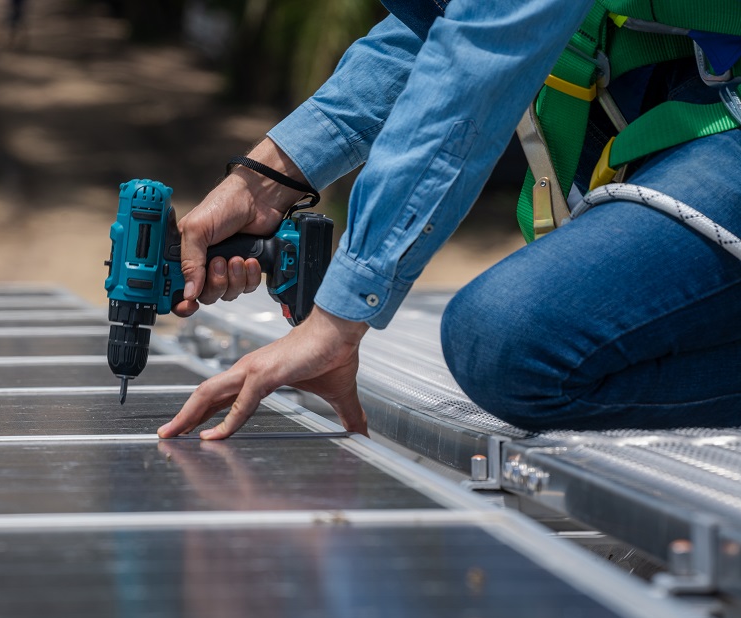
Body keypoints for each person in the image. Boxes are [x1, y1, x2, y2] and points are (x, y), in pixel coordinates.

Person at [157, 1, 741, 440]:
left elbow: (476, 55)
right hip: (684, 100)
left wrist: (336, 323)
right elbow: (440, 26)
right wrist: (263, 182)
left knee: (511, 348)